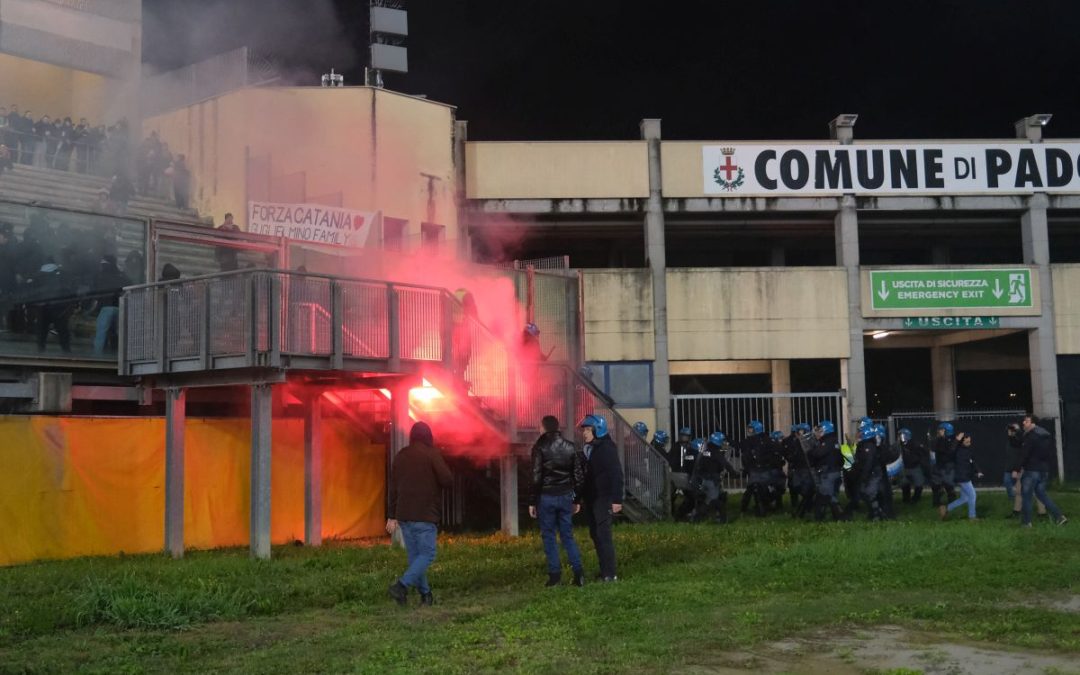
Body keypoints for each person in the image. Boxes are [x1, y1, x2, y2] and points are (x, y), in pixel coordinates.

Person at [386, 421, 453, 607]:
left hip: (404, 514)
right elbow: (447, 479)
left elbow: (393, 488)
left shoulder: (400, 456)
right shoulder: (432, 454)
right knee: (428, 554)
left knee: (416, 557)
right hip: (425, 513)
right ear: (428, 436)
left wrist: (392, 514)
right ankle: (401, 586)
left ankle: (426, 595)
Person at [528, 415, 586, 587]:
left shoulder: (539, 447)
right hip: (566, 495)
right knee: (567, 536)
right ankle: (579, 574)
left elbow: (536, 476)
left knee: (549, 537)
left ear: (543, 427)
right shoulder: (570, 447)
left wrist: (532, 501)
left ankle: (555, 576)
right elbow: (578, 477)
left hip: (547, 497)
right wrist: (576, 499)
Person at [579, 414, 623, 581]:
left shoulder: (606, 449)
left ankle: (610, 574)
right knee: (595, 534)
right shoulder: (591, 448)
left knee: (603, 535)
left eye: (588, 429)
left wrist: (617, 499)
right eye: (584, 430)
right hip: (592, 498)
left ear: (598, 430)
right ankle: (604, 570)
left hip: (603, 498)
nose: (584, 433)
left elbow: (616, 474)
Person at [1013, 415, 1068, 528]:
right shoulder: (1045, 436)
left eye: (1026, 421)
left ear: (1033, 423)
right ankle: (1059, 517)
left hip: (1031, 471)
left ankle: (1026, 523)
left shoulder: (1031, 436)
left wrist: (1016, 469)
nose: (1023, 423)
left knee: (1027, 496)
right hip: (1044, 471)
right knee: (1042, 495)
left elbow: (1024, 454)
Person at [689, 432, 738, 524]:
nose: (724, 443)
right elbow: (725, 464)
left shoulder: (705, 451)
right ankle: (696, 518)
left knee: (721, 497)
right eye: (722, 441)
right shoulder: (716, 453)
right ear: (718, 442)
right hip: (710, 481)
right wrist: (735, 474)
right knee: (712, 501)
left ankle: (721, 518)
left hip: (701, 479)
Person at [1004, 422, 1046, 519]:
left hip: (1029, 468)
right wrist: (1011, 434)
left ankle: (1042, 513)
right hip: (1021, 468)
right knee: (1019, 491)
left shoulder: (1027, 438)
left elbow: (1021, 448)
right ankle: (1017, 511)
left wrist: (1014, 433)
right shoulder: (1018, 439)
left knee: (1035, 490)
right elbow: (1014, 443)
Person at [808, 420, 847, 521]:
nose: (818, 432)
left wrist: (811, 450)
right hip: (834, 472)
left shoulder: (827, 441)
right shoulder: (834, 441)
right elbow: (840, 460)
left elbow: (817, 454)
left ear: (825, 430)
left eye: (820, 430)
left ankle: (824, 518)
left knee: (824, 496)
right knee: (831, 495)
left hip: (828, 473)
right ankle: (839, 517)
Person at [940, 431, 983, 521]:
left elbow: (973, 461)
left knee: (965, 498)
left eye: (970, 441)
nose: (969, 443)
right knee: (972, 495)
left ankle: (946, 509)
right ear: (961, 441)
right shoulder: (957, 450)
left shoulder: (968, 450)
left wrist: (978, 471)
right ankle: (972, 517)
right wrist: (956, 440)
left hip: (966, 476)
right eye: (967, 442)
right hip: (962, 477)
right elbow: (950, 451)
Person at [92, 255, 129, 354]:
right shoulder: (121, 275)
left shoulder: (100, 276)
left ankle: (98, 357)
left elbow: (96, 293)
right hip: (120, 307)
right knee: (117, 333)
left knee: (101, 334)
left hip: (105, 308)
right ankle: (119, 355)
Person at [783, 423, 816, 518]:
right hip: (797, 468)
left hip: (806, 468)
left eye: (802, 431)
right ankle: (806, 505)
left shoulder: (810, 440)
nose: (799, 433)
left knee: (807, 489)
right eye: (799, 431)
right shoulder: (796, 441)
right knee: (795, 486)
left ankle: (805, 508)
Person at [898, 428, 930, 504]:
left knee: (919, 484)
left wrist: (917, 459)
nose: (899, 437)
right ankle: (906, 499)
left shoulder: (915, 444)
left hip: (915, 467)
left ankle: (916, 499)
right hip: (905, 467)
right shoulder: (899, 445)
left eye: (901, 435)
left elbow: (924, 452)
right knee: (904, 483)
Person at [930, 422, 958, 507]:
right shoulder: (939, 440)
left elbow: (949, 451)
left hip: (948, 466)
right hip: (939, 465)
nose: (939, 431)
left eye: (941, 430)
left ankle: (952, 503)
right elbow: (934, 449)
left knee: (949, 485)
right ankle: (936, 503)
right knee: (935, 485)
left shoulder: (952, 440)